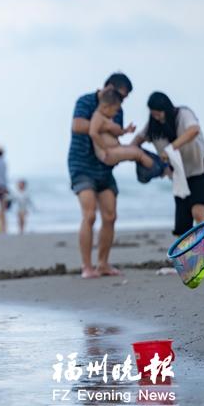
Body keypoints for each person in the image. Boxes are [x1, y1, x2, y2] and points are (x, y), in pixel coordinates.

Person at [68, 73, 133, 279]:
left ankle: (103, 264)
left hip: (104, 166)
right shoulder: (86, 101)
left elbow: (115, 138)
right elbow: (77, 125)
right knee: (89, 215)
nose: (122, 102)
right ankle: (87, 267)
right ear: (108, 88)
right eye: (121, 96)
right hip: (81, 164)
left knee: (110, 216)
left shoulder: (118, 110)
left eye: (124, 99)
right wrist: (104, 126)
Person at [130, 91, 204, 236]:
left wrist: (170, 149)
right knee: (182, 227)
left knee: (198, 212)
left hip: (201, 169)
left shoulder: (183, 114)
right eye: (153, 114)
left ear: (167, 109)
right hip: (179, 177)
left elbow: (193, 130)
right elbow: (135, 142)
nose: (156, 117)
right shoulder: (152, 126)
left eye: (159, 113)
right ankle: (188, 259)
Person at [89, 89, 156, 169]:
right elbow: (93, 133)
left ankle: (150, 167)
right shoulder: (98, 117)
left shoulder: (107, 118)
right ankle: (156, 169)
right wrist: (105, 149)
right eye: (115, 110)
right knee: (138, 153)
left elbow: (116, 132)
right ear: (106, 107)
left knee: (135, 149)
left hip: (115, 148)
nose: (116, 113)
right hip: (108, 153)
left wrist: (126, 130)